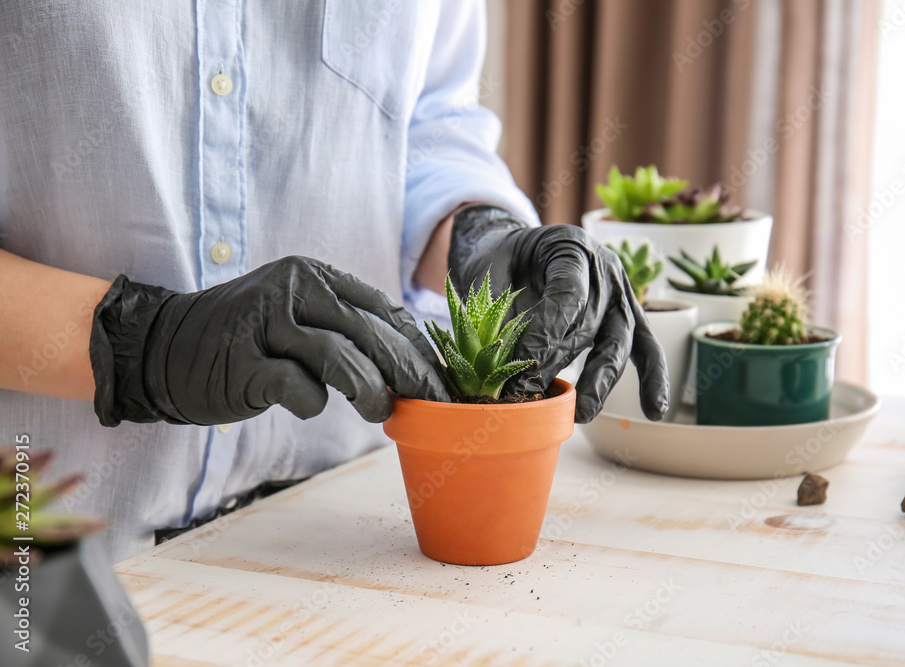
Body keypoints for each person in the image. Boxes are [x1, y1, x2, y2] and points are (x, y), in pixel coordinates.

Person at [0, 1, 668, 561]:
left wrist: (479, 234)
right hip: (49, 559)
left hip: (348, 543)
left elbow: (426, 118)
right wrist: (143, 344)